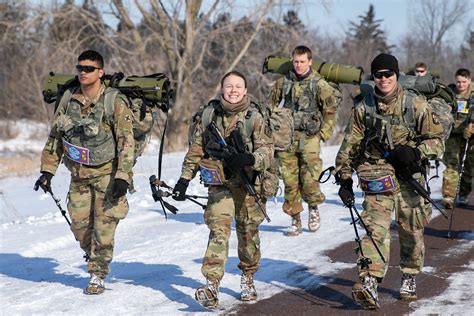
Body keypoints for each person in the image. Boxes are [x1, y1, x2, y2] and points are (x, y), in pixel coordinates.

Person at [335, 53, 444, 310]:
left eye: (388, 74)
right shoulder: (364, 108)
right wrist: (344, 178)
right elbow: (350, 144)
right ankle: (370, 280)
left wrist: (416, 152)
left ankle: (408, 275)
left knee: (411, 231)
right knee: (375, 230)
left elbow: (437, 140)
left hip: (409, 175)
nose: (383, 79)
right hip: (377, 175)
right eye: (379, 75)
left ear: (396, 76)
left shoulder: (414, 104)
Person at [34, 50, 135, 295]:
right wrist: (47, 171)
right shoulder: (68, 98)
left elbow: (126, 140)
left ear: (100, 72)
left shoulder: (113, 101)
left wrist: (123, 176)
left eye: (89, 68)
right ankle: (94, 258)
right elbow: (55, 136)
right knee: (80, 226)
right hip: (78, 175)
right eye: (80, 67)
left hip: (106, 175)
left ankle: (97, 273)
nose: (83, 72)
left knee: (104, 227)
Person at [173, 71, 273, 308]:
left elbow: (268, 151)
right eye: (229, 86)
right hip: (220, 184)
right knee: (218, 229)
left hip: (249, 185)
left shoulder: (254, 117)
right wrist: (184, 179)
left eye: (238, 86)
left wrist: (248, 158)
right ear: (222, 89)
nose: (233, 90)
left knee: (247, 235)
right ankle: (212, 285)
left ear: (246, 90)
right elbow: (196, 148)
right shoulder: (209, 115)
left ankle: (248, 276)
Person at [268, 45, 339, 236]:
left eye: (302, 61)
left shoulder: (319, 84)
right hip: (287, 138)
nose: (298, 65)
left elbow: (330, 111)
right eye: (296, 61)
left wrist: (323, 134)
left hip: (310, 138)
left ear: (309, 62)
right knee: (290, 180)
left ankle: (313, 208)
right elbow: (270, 105)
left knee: (309, 179)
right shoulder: (284, 82)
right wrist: (274, 127)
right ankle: (295, 219)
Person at [442, 68, 473, 208]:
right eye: (458, 82)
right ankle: (448, 196)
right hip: (453, 134)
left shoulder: (473, 94)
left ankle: (464, 194)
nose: (461, 85)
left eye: (464, 82)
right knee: (451, 164)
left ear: (470, 81)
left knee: (467, 167)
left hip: (470, 137)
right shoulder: (450, 93)